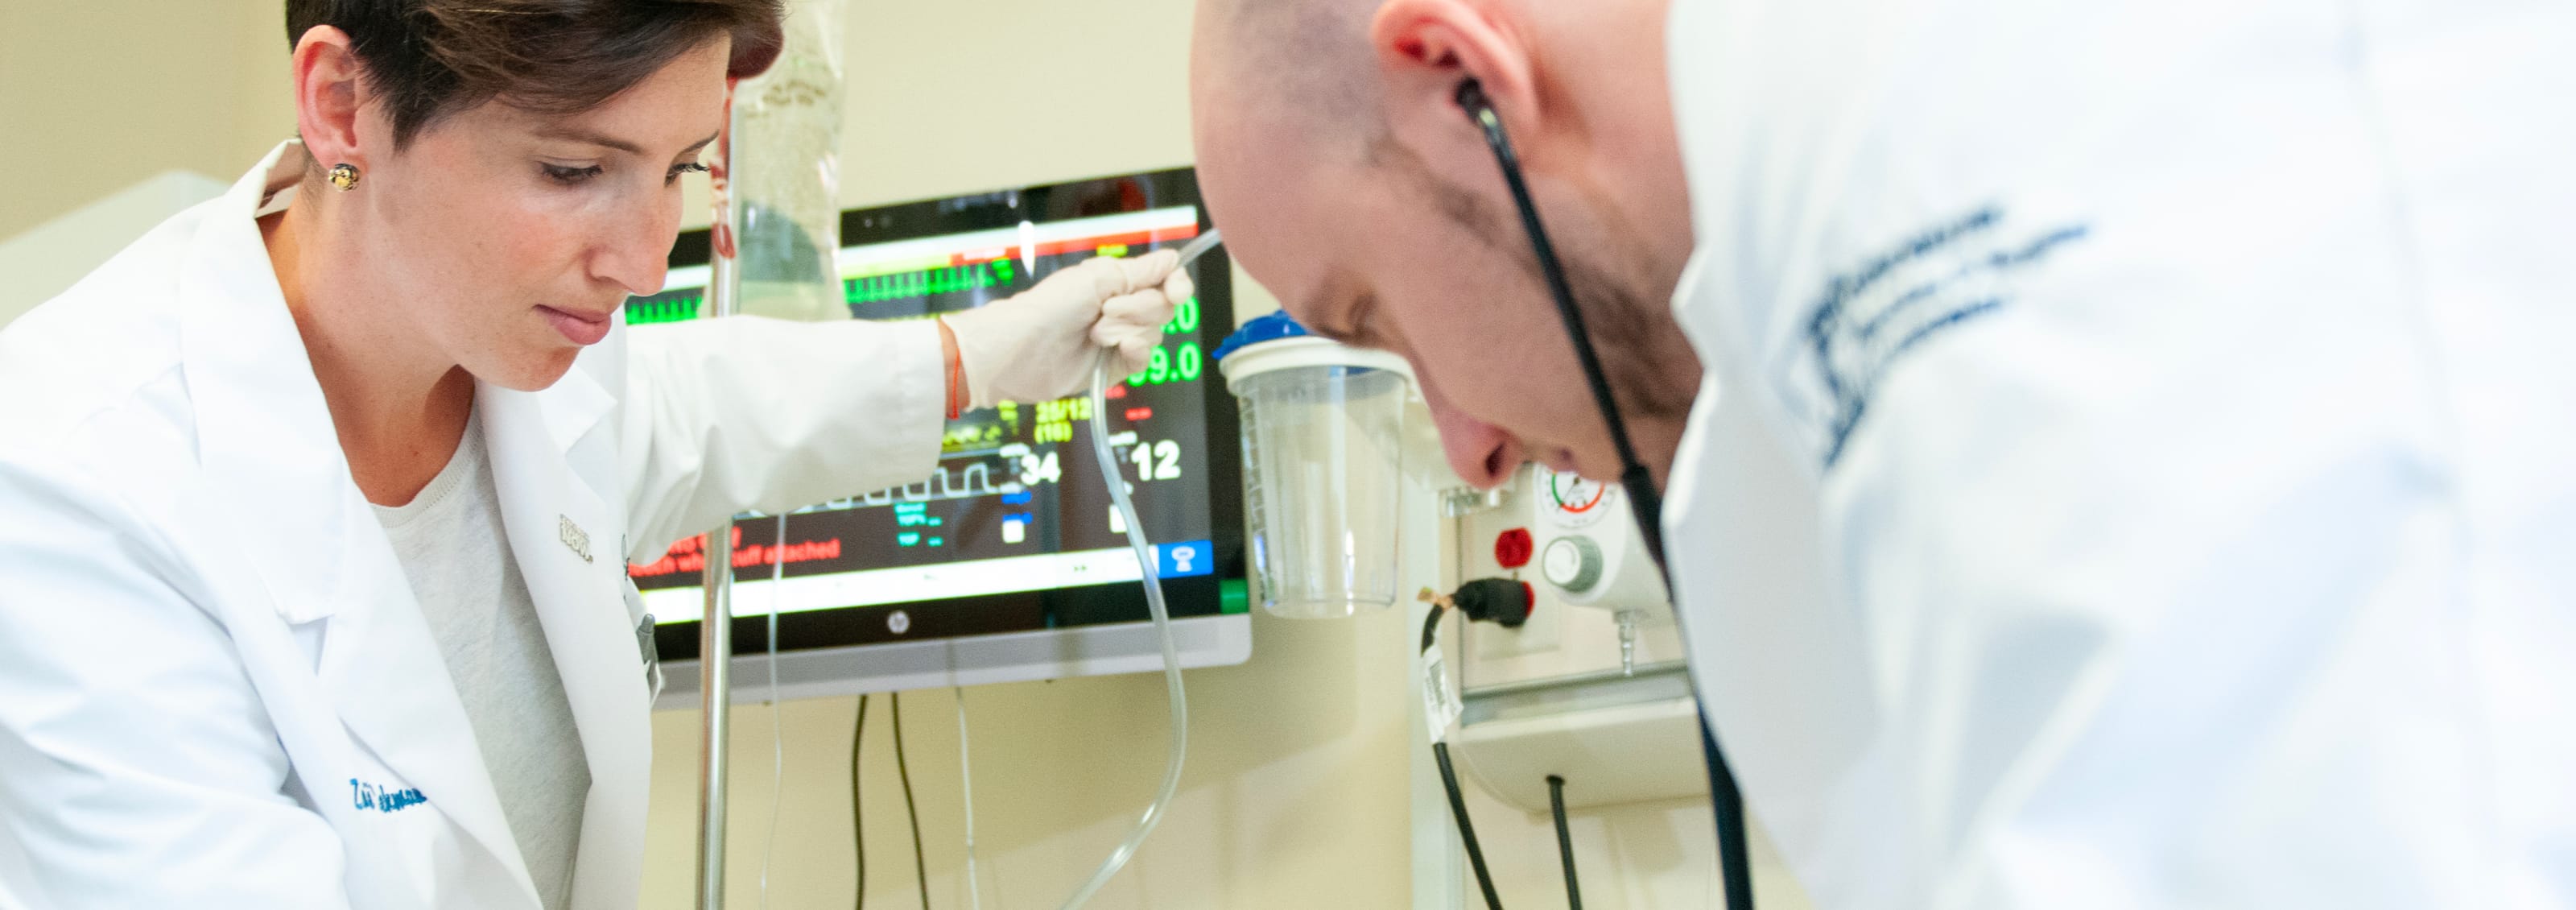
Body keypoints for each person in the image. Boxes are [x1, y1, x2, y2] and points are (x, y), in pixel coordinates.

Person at [1191, 0, 2576, 906]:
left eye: (1377, 316)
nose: (1470, 447)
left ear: (1455, 75)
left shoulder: (1942, 122)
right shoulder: (1787, 255)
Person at [0, 2, 1187, 908]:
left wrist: (991, 351)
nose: (640, 261)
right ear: (344, 105)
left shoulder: (521, 353)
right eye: (574, 172)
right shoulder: (74, 487)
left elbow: (712, 397)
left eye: (679, 169)